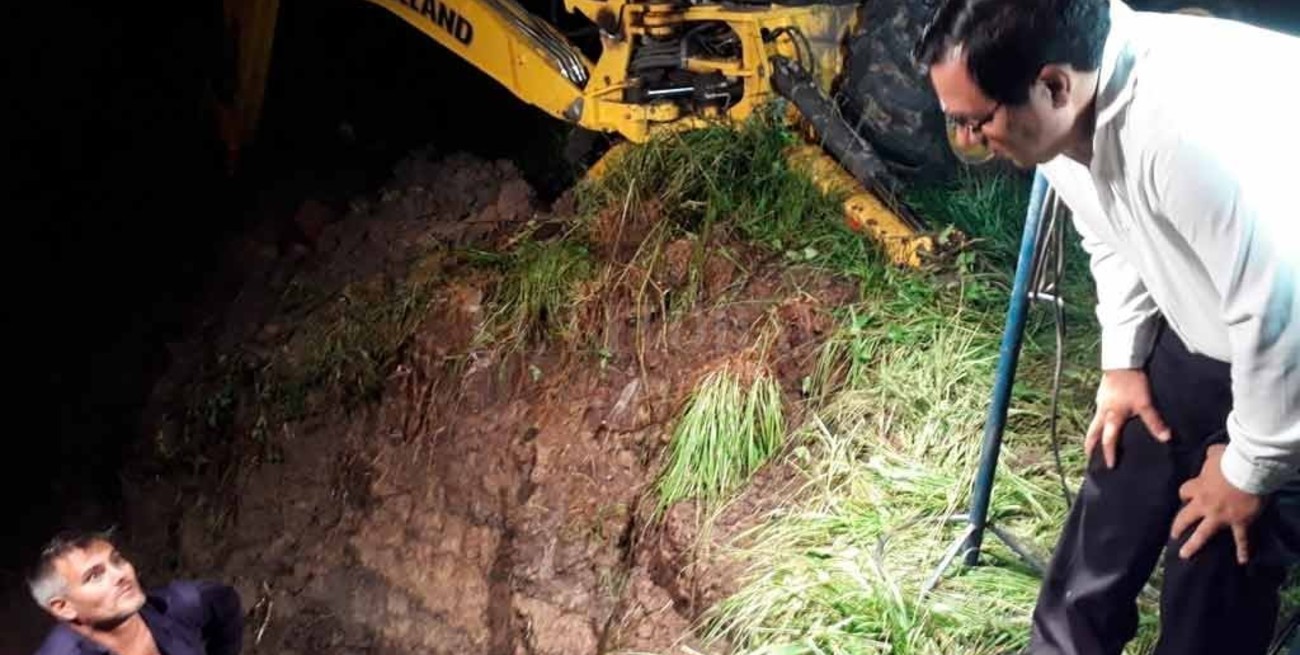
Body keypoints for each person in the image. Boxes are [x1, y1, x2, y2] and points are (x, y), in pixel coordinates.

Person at [914, 0, 1300, 653]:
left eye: (976, 122)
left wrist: (1245, 470)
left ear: (1054, 85)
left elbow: (1280, 309)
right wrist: (1122, 365)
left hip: (1286, 346)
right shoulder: (1064, 114)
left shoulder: (1184, 131)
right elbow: (1112, 231)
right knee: (1121, 468)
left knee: (1214, 551)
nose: (974, 141)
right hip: (1215, 329)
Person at [28, 530, 242, 655]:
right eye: (94, 576)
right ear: (63, 607)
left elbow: (226, 606)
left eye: (117, 560)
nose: (120, 574)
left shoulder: (187, 602)